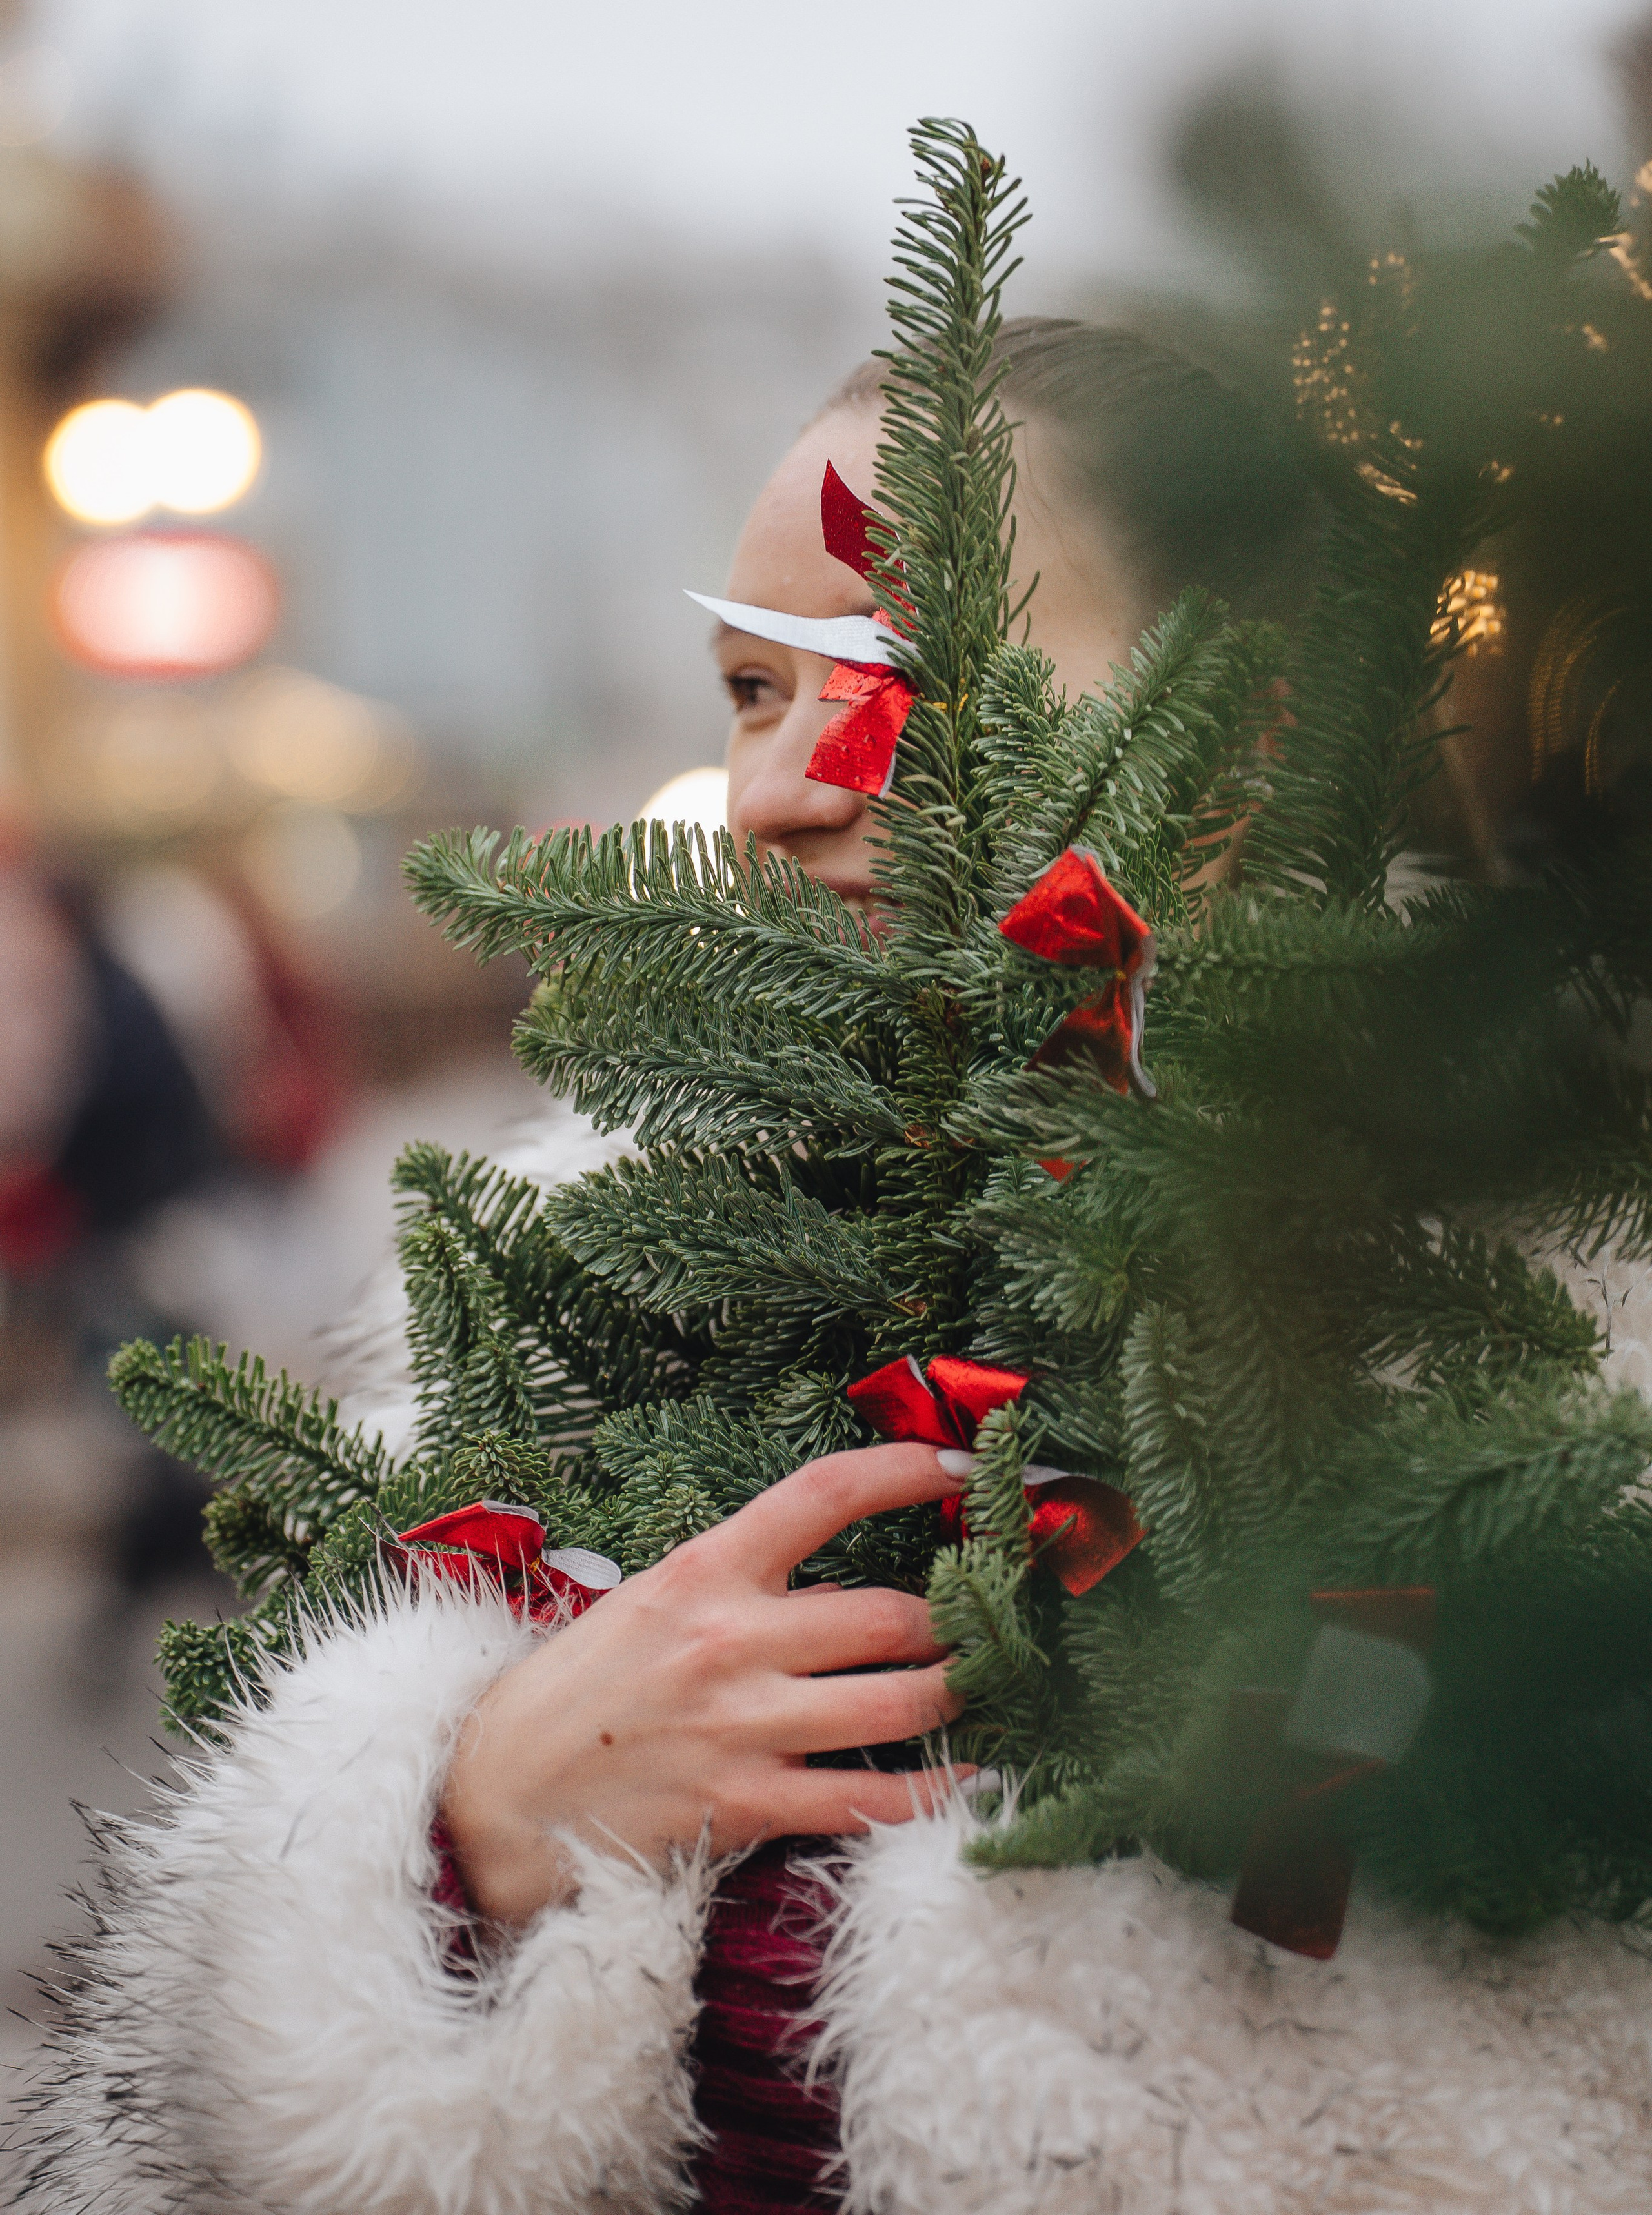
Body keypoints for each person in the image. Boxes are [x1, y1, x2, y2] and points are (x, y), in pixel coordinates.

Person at [19, 324, 1652, 2215]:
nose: (784, 788)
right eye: (745, 687)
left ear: (1254, 733)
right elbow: (201, 2104)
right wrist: (471, 1824)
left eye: (904, 678)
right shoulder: (592, 1293)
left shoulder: (1529, 1350)